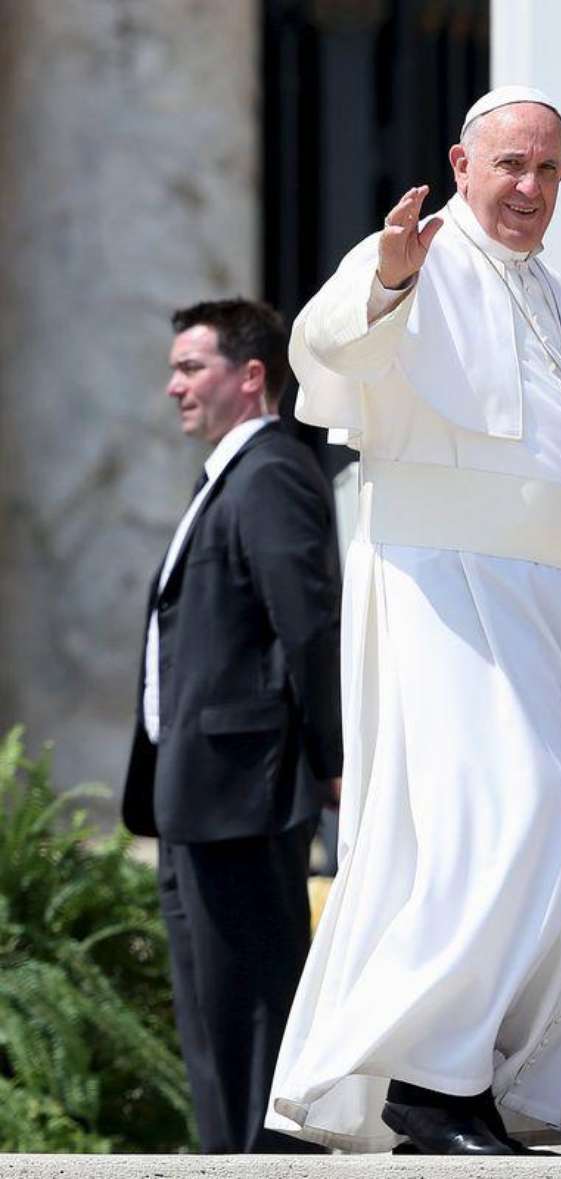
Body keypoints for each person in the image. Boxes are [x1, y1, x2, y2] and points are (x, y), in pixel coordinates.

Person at [264, 86, 561, 1156]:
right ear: (462, 165)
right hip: (452, 594)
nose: (530, 188)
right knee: (517, 815)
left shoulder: (559, 300)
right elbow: (323, 349)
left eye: (550, 171)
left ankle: (483, 1081)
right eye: (512, 165)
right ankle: (425, 1077)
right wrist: (384, 277)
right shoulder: (411, 262)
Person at [122, 298, 342, 1153]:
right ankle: (228, 1164)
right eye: (174, 368)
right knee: (213, 1023)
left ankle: (265, 1167)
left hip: (244, 795)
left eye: (190, 367)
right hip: (194, 798)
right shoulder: (223, 478)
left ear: (252, 377)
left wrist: (332, 755)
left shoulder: (273, 472)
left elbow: (309, 625)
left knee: (254, 1015)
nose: (173, 386)